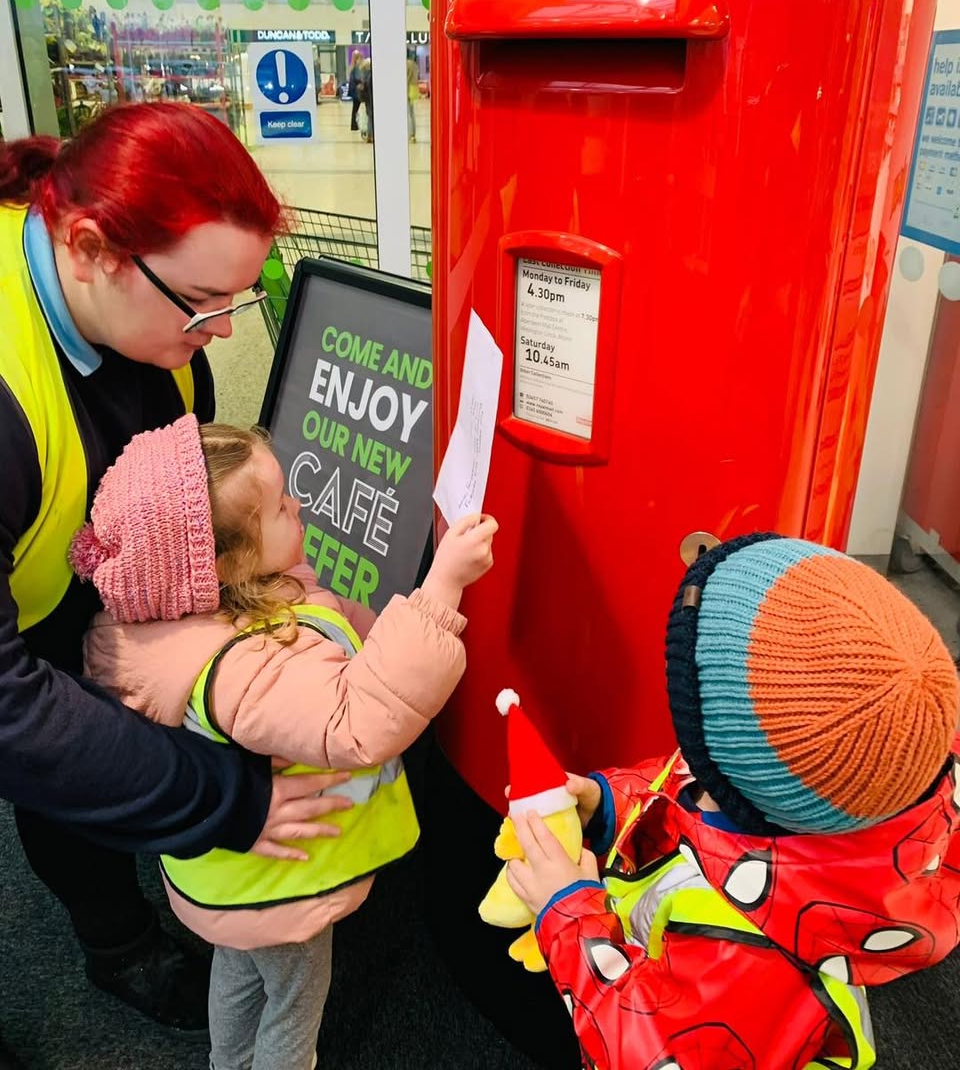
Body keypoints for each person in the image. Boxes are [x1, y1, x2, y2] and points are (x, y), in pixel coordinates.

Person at [0, 104, 348, 1065]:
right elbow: (11, 707)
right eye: (201, 304)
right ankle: (116, 943)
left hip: (69, 561)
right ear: (89, 246)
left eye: (237, 301)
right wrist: (217, 797)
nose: (222, 334)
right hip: (24, 617)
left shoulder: (158, 336)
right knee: (59, 769)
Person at [72, 416, 498, 1069]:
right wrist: (440, 594)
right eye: (278, 506)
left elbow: (343, 634)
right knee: (295, 1005)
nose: (297, 505)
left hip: (233, 882)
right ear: (229, 561)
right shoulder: (243, 664)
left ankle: (227, 1061)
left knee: (242, 972)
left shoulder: (207, 601)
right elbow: (358, 722)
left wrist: (395, 634)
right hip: (276, 881)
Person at [506, 533, 960, 1069]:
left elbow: (658, 1054)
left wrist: (570, 917)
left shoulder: (745, 948)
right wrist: (608, 803)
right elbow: (692, 792)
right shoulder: (891, 772)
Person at [347, 50, 363, 132]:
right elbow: (358, 78)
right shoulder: (357, 66)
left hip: (353, 91)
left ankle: (354, 125)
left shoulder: (352, 66)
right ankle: (355, 125)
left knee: (355, 108)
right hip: (357, 91)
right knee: (357, 108)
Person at [407, 50, 419, 143]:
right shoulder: (414, 64)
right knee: (412, 112)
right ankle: (413, 134)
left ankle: (410, 134)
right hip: (413, 89)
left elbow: (406, 78)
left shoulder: (406, 64)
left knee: (408, 113)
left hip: (407, 89)